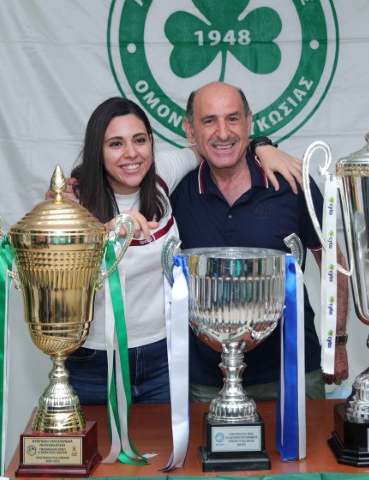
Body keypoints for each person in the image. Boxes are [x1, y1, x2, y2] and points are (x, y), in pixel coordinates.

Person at [54, 97, 304, 404]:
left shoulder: (161, 175)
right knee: (96, 438)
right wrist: (104, 233)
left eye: (139, 140)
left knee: (165, 438)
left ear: (151, 143)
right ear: (98, 150)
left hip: (163, 357)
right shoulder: (72, 204)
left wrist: (262, 147)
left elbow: (215, 144)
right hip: (94, 361)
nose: (131, 153)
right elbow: (60, 286)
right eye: (116, 144)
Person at [170, 82, 349, 401]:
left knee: (307, 439)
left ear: (249, 122)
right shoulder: (176, 192)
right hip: (207, 379)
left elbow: (333, 263)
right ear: (190, 129)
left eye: (233, 118)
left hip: (292, 369)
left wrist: (338, 341)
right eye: (209, 120)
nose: (223, 132)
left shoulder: (292, 184)